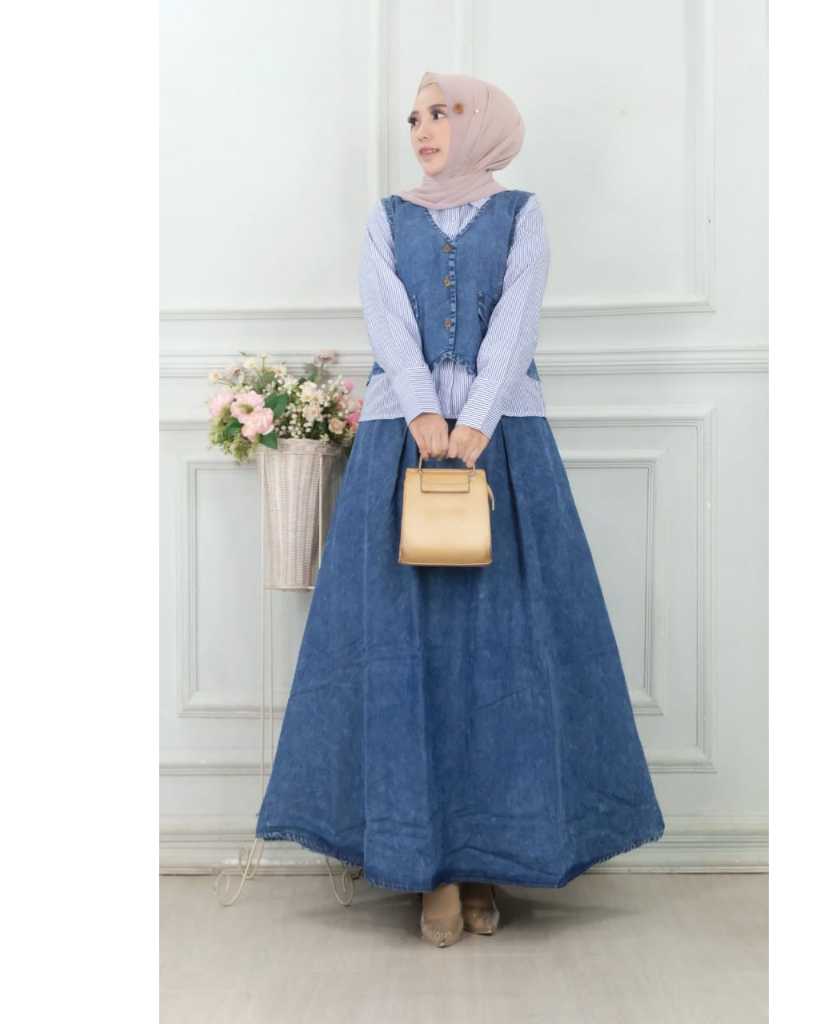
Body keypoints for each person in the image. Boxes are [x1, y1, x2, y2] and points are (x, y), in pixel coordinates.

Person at [255, 70, 665, 948]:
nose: (423, 130)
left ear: (480, 124)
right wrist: (422, 411)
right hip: (401, 444)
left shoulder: (522, 214)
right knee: (407, 656)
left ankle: (487, 860)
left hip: (502, 447)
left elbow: (518, 320)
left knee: (503, 660)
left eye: (441, 114)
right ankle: (430, 866)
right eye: (415, 117)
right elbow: (386, 318)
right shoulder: (386, 216)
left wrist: (475, 419)